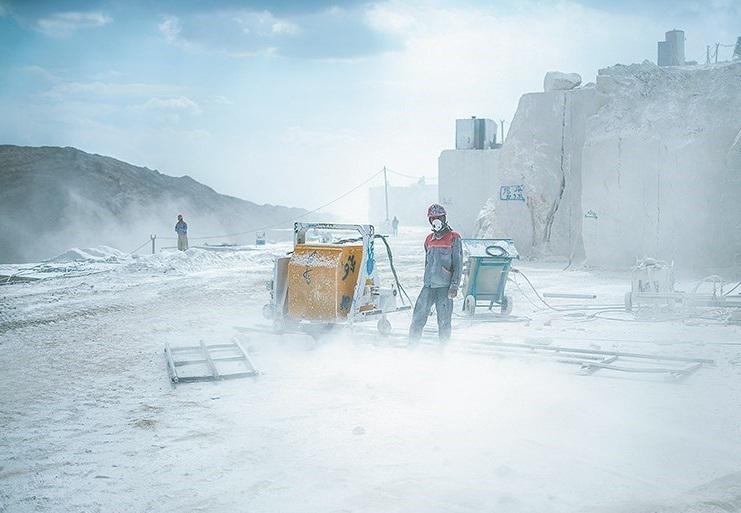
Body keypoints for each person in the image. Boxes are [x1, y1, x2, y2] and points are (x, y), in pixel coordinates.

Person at [409, 204, 462, 342]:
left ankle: (443, 352)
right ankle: (411, 347)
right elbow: (427, 262)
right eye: (433, 218)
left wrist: (454, 286)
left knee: (444, 322)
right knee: (417, 318)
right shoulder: (428, 239)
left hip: (445, 288)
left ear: (444, 218)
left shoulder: (454, 238)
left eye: (438, 218)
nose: (436, 221)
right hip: (429, 286)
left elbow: (458, 264)